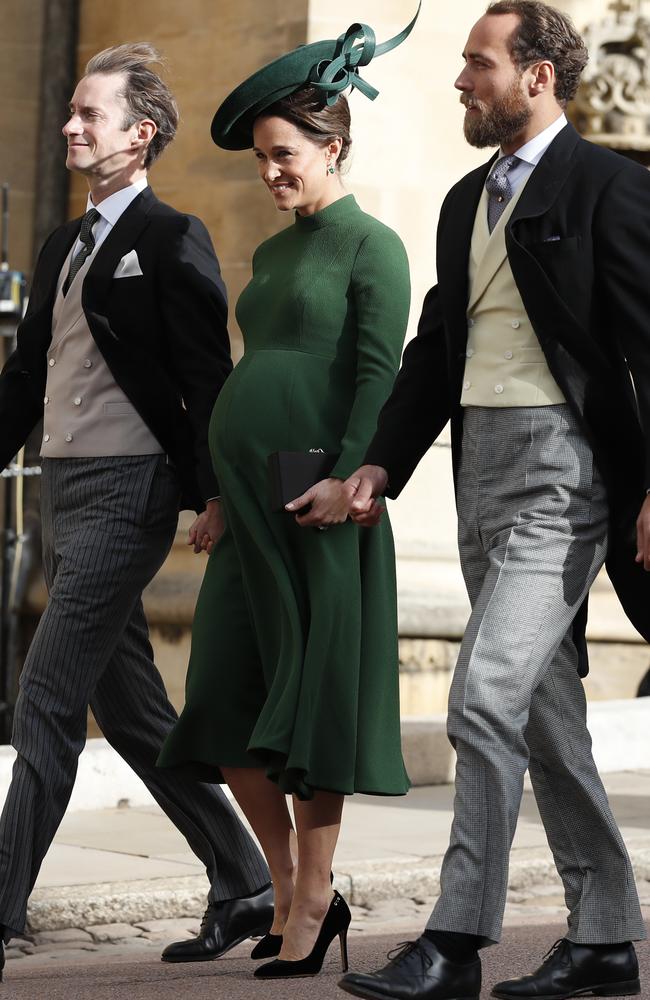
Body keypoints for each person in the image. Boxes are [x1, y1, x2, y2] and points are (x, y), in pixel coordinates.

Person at [339, 3, 650, 999]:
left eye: (476, 63)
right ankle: (603, 939)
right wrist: (378, 465)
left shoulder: (609, 186)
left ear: (536, 75)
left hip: (564, 474)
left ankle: (454, 941)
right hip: (477, 468)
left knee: (478, 696)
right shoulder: (462, 198)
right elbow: (436, 349)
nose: (460, 80)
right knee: (543, 712)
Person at [0, 43, 275, 981]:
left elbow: (208, 374)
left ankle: (1, 905)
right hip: (63, 490)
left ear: (139, 134)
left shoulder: (172, 236)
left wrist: (210, 490)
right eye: (70, 113)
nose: (71, 127)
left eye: (90, 114)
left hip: (131, 490)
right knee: (135, 714)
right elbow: (26, 375)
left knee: (44, 693)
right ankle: (244, 880)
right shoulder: (61, 243)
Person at [158, 7, 422, 981]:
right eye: (261, 158)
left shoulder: (372, 248)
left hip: (320, 500)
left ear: (332, 144)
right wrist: (222, 492)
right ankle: (286, 884)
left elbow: (375, 375)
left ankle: (312, 895)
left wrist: (344, 478)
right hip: (249, 498)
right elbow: (250, 367)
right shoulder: (270, 256)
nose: (268, 172)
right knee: (225, 702)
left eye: (283, 154)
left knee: (306, 706)